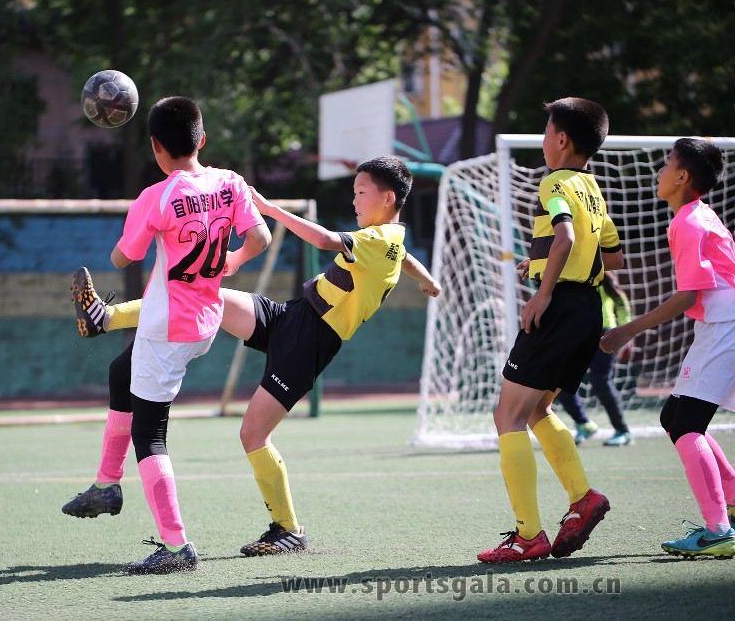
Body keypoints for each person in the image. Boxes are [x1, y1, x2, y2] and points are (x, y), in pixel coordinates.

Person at [68, 155, 441, 556]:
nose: (354, 200)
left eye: (361, 192)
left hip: (309, 344)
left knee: (252, 434)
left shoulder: (378, 239)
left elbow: (324, 240)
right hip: (293, 316)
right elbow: (405, 258)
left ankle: (288, 529)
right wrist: (428, 280)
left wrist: (268, 209)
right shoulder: (391, 241)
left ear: (387, 198)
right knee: (205, 296)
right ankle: (104, 317)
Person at [61, 95, 271, 574]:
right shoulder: (231, 182)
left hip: (168, 328)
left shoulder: (155, 197)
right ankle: (106, 485)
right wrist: (230, 262)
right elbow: (260, 238)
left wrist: (144, 223)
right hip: (205, 321)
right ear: (202, 139)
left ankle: (177, 548)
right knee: (121, 373)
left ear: (155, 146)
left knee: (149, 434)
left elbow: (122, 258)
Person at [477, 97, 624, 564]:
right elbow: (612, 256)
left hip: (558, 307)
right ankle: (583, 499)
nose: (543, 140)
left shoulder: (554, 181)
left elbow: (566, 237)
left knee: (507, 416)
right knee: (538, 409)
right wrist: (539, 263)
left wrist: (543, 293)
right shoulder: (593, 189)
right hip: (587, 309)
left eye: (545, 131)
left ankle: (528, 536)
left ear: (561, 139)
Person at [600, 137, 735, 559]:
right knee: (674, 417)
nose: (660, 171)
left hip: (726, 326)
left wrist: (628, 329)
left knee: (686, 424)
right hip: (721, 326)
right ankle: (731, 504)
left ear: (682, 177)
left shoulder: (690, 223)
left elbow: (687, 296)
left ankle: (719, 532)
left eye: (667, 164)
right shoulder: (697, 216)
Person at [556, 270, 634, 446]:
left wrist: (626, 332)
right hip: (575, 335)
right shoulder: (564, 272)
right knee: (560, 383)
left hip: (604, 333)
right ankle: (583, 424)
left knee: (601, 381)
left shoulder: (601, 272)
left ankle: (623, 431)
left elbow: (620, 301)